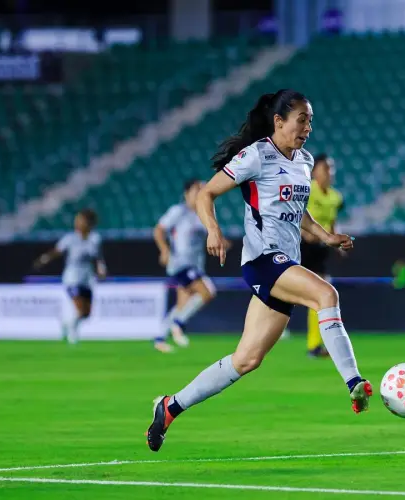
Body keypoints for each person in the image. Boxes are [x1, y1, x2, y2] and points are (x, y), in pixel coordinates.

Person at [146, 89, 371, 452]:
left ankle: (169, 407)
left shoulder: (304, 161)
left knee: (246, 359)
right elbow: (206, 194)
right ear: (278, 121)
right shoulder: (256, 155)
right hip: (263, 261)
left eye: (310, 120)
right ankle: (354, 383)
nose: (308, 128)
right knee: (326, 295)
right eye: (302, 120)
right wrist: (214, 230)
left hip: (286, 263)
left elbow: (299, 214)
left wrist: (326, 236)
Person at [152, 179, 228, 353]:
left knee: (183, 303)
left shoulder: (203, 215)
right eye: (196, 190)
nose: (200, 193)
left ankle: (159, 338)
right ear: (186, 194)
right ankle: (178, 324)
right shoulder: (178, 211)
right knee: (207, 292)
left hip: (195, 265)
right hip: (180, 263)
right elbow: (158, 230)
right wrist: (164, 250)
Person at [34, 209, 106, 344]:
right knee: (79, 307)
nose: (77, 223)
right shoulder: (70, 238)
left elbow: (97, 257)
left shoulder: (95, 239)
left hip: (87, 277)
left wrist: (101, 269)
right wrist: (43, 260)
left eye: (80, 220)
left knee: (86, 313)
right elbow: (57, 251)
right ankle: (73, 334)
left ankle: (66, 323)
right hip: (72, 277)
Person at [300, 153, 345, 358]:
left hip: (320, 250)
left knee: (321, 294)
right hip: (300, 246)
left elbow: (333, 222)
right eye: (326, 168)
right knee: (315, 293)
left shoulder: (335, 197)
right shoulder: (306, 189)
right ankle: (316, 345)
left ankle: (315, 345)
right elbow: (297, 213)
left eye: (331, 168)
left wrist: (337, 243)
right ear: (314, 170)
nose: (330, 172)